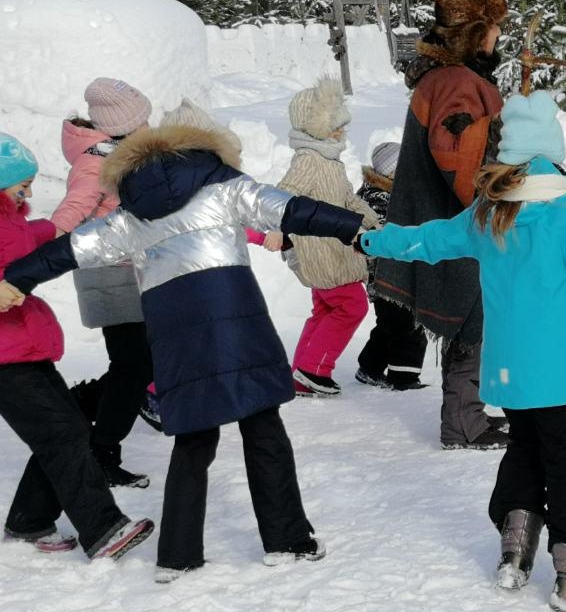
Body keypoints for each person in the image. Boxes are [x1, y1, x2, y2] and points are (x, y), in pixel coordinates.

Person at [359, 91, 566, 612]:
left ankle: (514, 555)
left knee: (524, 449)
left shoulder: (490, 211)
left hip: (504, 370)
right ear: (551, 152)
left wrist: (373, 241)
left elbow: (426, 241)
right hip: (553, 370)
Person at [0, 121, 367, 583]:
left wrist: (15, 280)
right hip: (236, 321)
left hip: (174, 333)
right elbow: (292, 210)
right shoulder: (221, 183)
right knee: (262, 427)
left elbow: (69, 251)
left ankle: (177, 555)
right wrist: (353, 227)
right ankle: (288, 540)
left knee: (194, 437)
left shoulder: (130, 213)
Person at [0, 132, 153, 561]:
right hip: (4, 360)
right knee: (62, 434)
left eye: (30, 184)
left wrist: (60, 227)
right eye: (20, 184)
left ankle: (29, 519)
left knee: (67, 428)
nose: (27, 192)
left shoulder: (9, 220)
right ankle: (103, 529)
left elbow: (28, 237)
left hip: (22, 349)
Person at [372, 0, 510, 450]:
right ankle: (463, 424)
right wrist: (498, 204)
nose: (497, 36)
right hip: (458, 225)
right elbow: (458, 159)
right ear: (475, 32)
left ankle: (467, 414)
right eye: (492, 27)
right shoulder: (458, 83)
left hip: (444, 220)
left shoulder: (445, 77)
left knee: (469, 321)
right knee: (470, 320)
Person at [50, 77, 155, 488]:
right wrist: (35, 258)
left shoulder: (121, 153)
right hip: (109, 273)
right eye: (142, 121)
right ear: (121, 126)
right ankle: (102, 452)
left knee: (139, 362)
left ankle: (77, 405)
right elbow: (71, 211)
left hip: (133, 270)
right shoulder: (95, 161)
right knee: (133, 366)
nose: (148, 127)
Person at [275, 79, 379, 397]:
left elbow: (346, 199)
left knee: (325, 309)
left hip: (333, 248)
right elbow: (281, 198)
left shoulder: (329, 162)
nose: (341, 132)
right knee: (352, 305)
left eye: (342, 126)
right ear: (317, 127)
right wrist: (280, 232)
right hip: (322, 251)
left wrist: (372, 220)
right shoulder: (308, 160)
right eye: (335, 126)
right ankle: (313, 370)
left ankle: (301, 371)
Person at [354, 141, 429, 391]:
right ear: (389, 173)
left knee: (390, 325)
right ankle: (404, 377)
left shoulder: (388, 194)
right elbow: (388, 234)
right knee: (407, 324)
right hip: (387, 276)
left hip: (392, 275)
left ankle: (369, 367)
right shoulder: (378, 198)